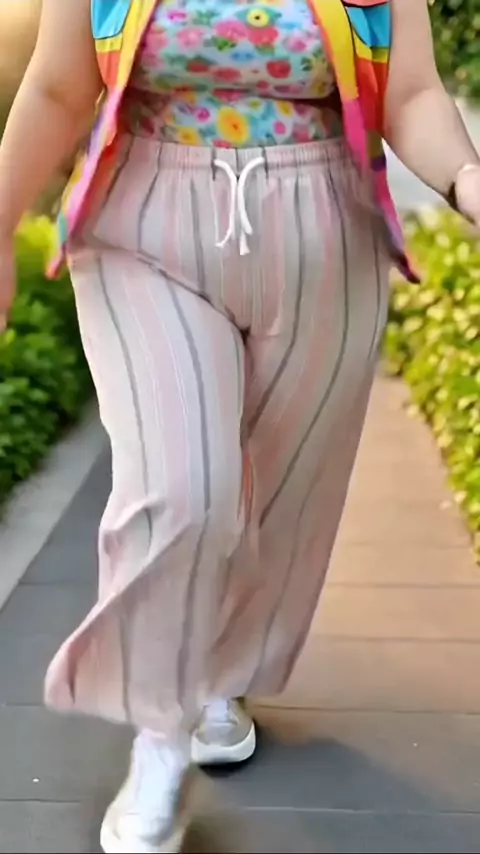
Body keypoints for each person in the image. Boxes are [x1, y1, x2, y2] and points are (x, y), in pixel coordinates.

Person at [0, 0, 479, 851]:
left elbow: (410, 93)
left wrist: (467, 180)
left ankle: (220, 677)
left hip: (325, 230)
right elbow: (58, 89)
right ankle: (161, 731)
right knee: (184, 491)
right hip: (143, 221)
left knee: (284, 497)